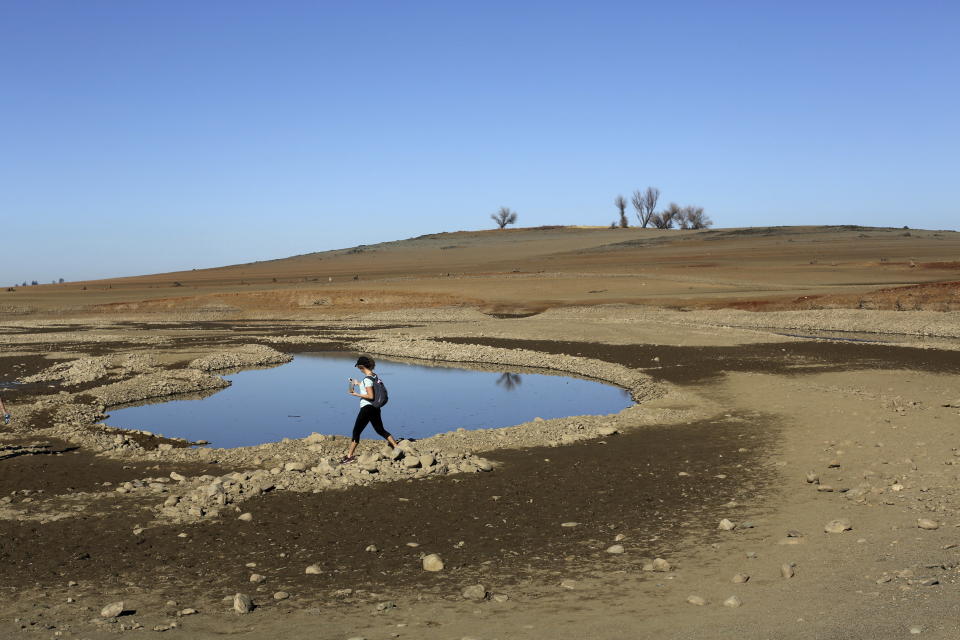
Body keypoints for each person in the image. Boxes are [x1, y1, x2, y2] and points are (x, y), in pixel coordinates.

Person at [342, 356, 397, 462]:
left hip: (367, 408)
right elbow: (369, 387)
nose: (358, 369)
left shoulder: (367, 379)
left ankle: (349, 457)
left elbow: (370, 396)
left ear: (361, 366)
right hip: (375, 408)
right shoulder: (374, 376)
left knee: (356, 431)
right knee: (379, 430)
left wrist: (355, 394)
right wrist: (358, 383)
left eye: (358, 367)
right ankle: (396, 447)